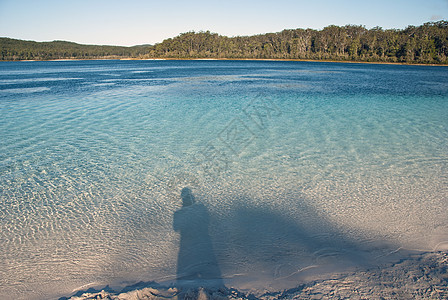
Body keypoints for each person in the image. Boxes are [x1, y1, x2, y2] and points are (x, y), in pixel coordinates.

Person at [173, 187, 223, 286]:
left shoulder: (178, 213)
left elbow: (175, 228)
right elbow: (207, 221)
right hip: (202, 240)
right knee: (206, 264)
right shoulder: (200, 208)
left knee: (187, 267)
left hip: (186, 243)